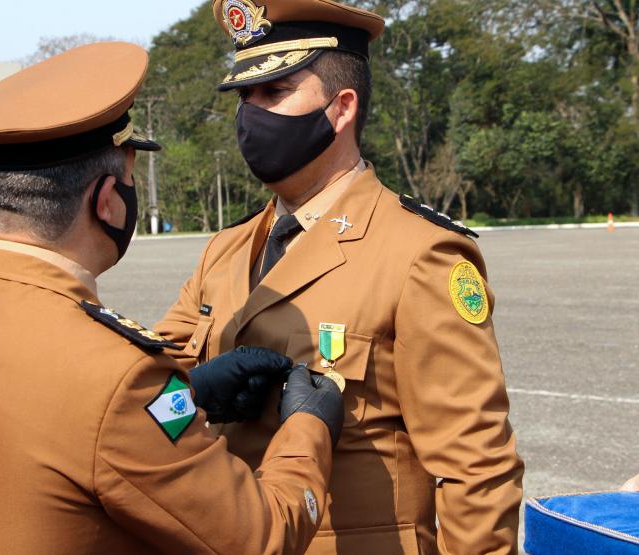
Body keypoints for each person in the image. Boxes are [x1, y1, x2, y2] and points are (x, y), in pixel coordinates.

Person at [0, 41, 345, 554]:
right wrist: (307, 426)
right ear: (108, 201)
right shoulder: (119, 379)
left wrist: (186, 398)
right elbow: (261, 537)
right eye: (130, 178)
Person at [154, 1, 525, 553]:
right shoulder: (224, 250)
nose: (251, 114)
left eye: (275, 92)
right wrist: (193, 392)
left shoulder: (420, 252)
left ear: (342, 107)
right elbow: (150, 401)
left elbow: (476, 467)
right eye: (244, 97)